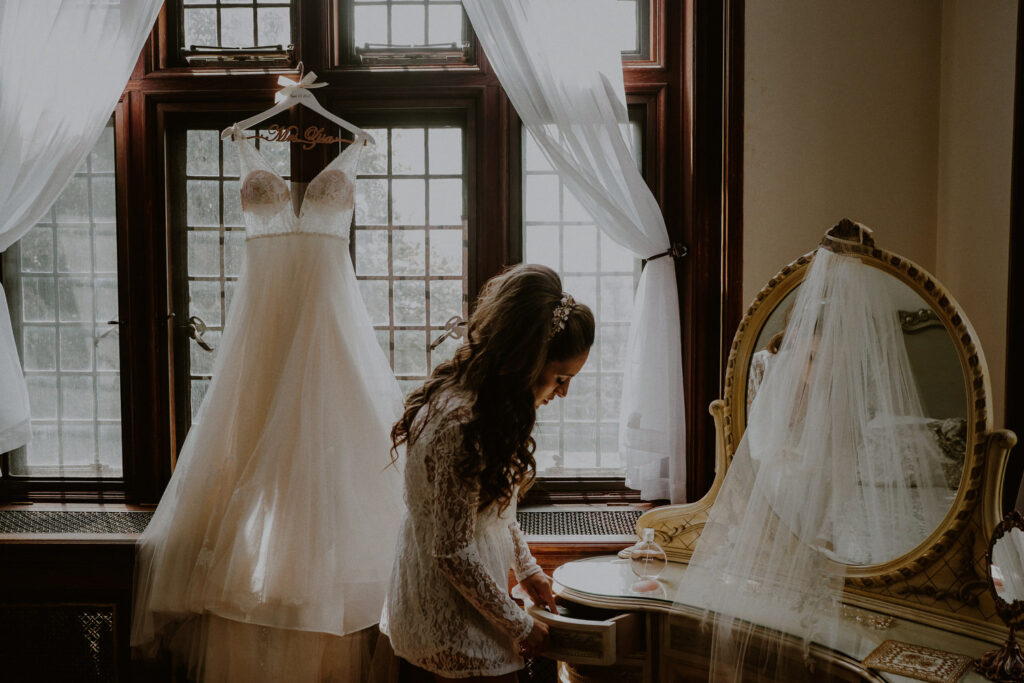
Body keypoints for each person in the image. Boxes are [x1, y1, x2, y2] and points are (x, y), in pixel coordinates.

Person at [132, 128, 404, 681]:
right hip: (263, 334)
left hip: (328, 336)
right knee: (248, 459)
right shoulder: (241, 143)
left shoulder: (354, 146)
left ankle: (313, 608)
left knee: (330, 475)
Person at [383, 264, 595, 682]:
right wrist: (519, 624)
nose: (564, 392)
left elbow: (495, 512)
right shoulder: (461, 423)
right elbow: (452, 552)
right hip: (445, 620)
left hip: (468, 608)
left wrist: (529, 569)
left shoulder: (490, 407)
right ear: (525, 361)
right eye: (561, 378)